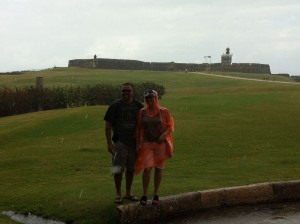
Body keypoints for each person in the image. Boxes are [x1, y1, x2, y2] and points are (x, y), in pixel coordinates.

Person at [104, 83, 144, 203]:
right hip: (119, 142)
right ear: (120, 92)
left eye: (128, 91)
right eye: (123, 91)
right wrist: (109, 144)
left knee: (131, 169)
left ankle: (128, 193)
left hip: (133, 143)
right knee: (117, 169)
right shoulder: (115, 106)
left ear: (133, 92)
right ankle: (118, 193)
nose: (126, 93)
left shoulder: (138, 106)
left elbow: (143, 124)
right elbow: (108, 126)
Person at [135, 89, 174, 205]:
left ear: (156, 98)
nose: (149, 100)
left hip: (160, 144)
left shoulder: (164, 111)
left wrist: (163, 135)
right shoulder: (142, 112)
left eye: (151, 98)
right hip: (147, 144)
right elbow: (138, 129)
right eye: (147, 98)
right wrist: (138, 144)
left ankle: (156, 194)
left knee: (159, 168)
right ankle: (144, 194)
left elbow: (170, 126)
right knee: (147, 169)